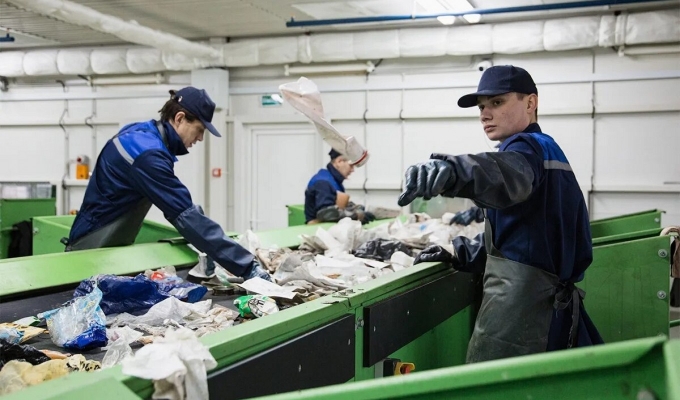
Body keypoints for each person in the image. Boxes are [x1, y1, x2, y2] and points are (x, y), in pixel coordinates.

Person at [398, 65, 603, 363]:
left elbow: (504, 173)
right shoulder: (549, 150)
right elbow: (525, 236)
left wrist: (453, 171)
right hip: (547, 307)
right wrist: (461, 252)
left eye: (497, 102)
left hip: (522, 312)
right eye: (482, 107)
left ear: (530, 103)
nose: (485, 114)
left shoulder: (525, 149)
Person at [65, 87, 270, 281]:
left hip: (105, 242)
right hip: (92, 247)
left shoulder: (143, 134)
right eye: (199, 129)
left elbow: (183, 207)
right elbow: (183, 213)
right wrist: (246, 266)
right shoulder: (148, 155)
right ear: (180, 118)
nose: (200, 138)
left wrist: (207, 244)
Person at [304, 149, 374, 224]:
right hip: (317, 230)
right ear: (339, 162)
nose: (352, 170)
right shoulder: (323, 182)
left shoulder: (332, 180)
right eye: (351, 166)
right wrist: (356, 216)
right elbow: (326, 214)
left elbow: (336, 205)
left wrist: (354, 208)